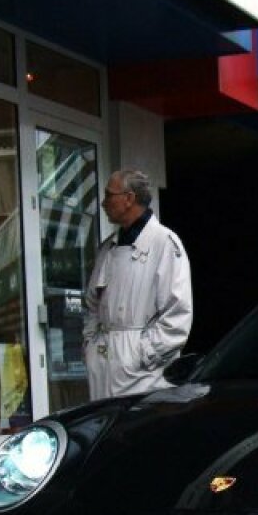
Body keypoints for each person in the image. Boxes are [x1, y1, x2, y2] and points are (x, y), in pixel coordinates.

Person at [83, 169, 193, 400]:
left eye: (109, 195)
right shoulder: (107, 248)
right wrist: (91, 346)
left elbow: (178, 315)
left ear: (129, 198)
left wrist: (141, 354)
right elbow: (92, 304)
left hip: (143, 372)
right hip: (104, 364)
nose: (103, 203)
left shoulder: (164, 243)